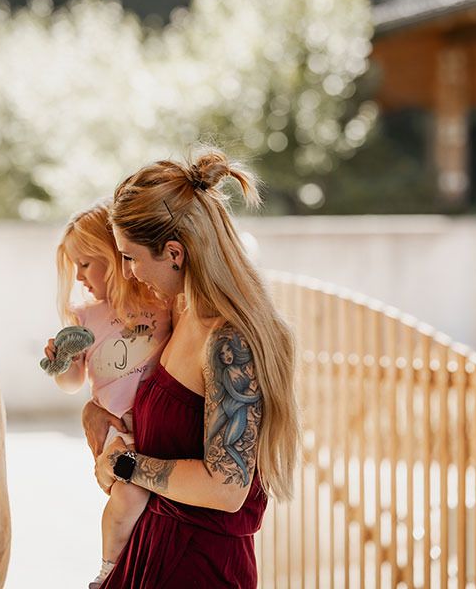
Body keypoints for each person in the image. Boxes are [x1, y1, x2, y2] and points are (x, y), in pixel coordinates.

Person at [86, 150, 300, 588]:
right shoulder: (182, 312)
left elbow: (226, 487)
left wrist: (125, 465)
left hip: (198, 566)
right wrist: (96, 412)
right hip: (156, 547)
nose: (128, 272)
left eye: (130, 257)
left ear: (174, 253)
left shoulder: (229, 342)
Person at [46, 198, 171, 588]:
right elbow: (72, 383)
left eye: (85, 263)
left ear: (114, 255)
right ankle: (109, 570)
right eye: (74, 267)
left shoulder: (162, 303)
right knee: (130, 498)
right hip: (119, 430)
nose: (79, 276)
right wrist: (63, 362)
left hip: (161, 425)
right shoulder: (85, 317)